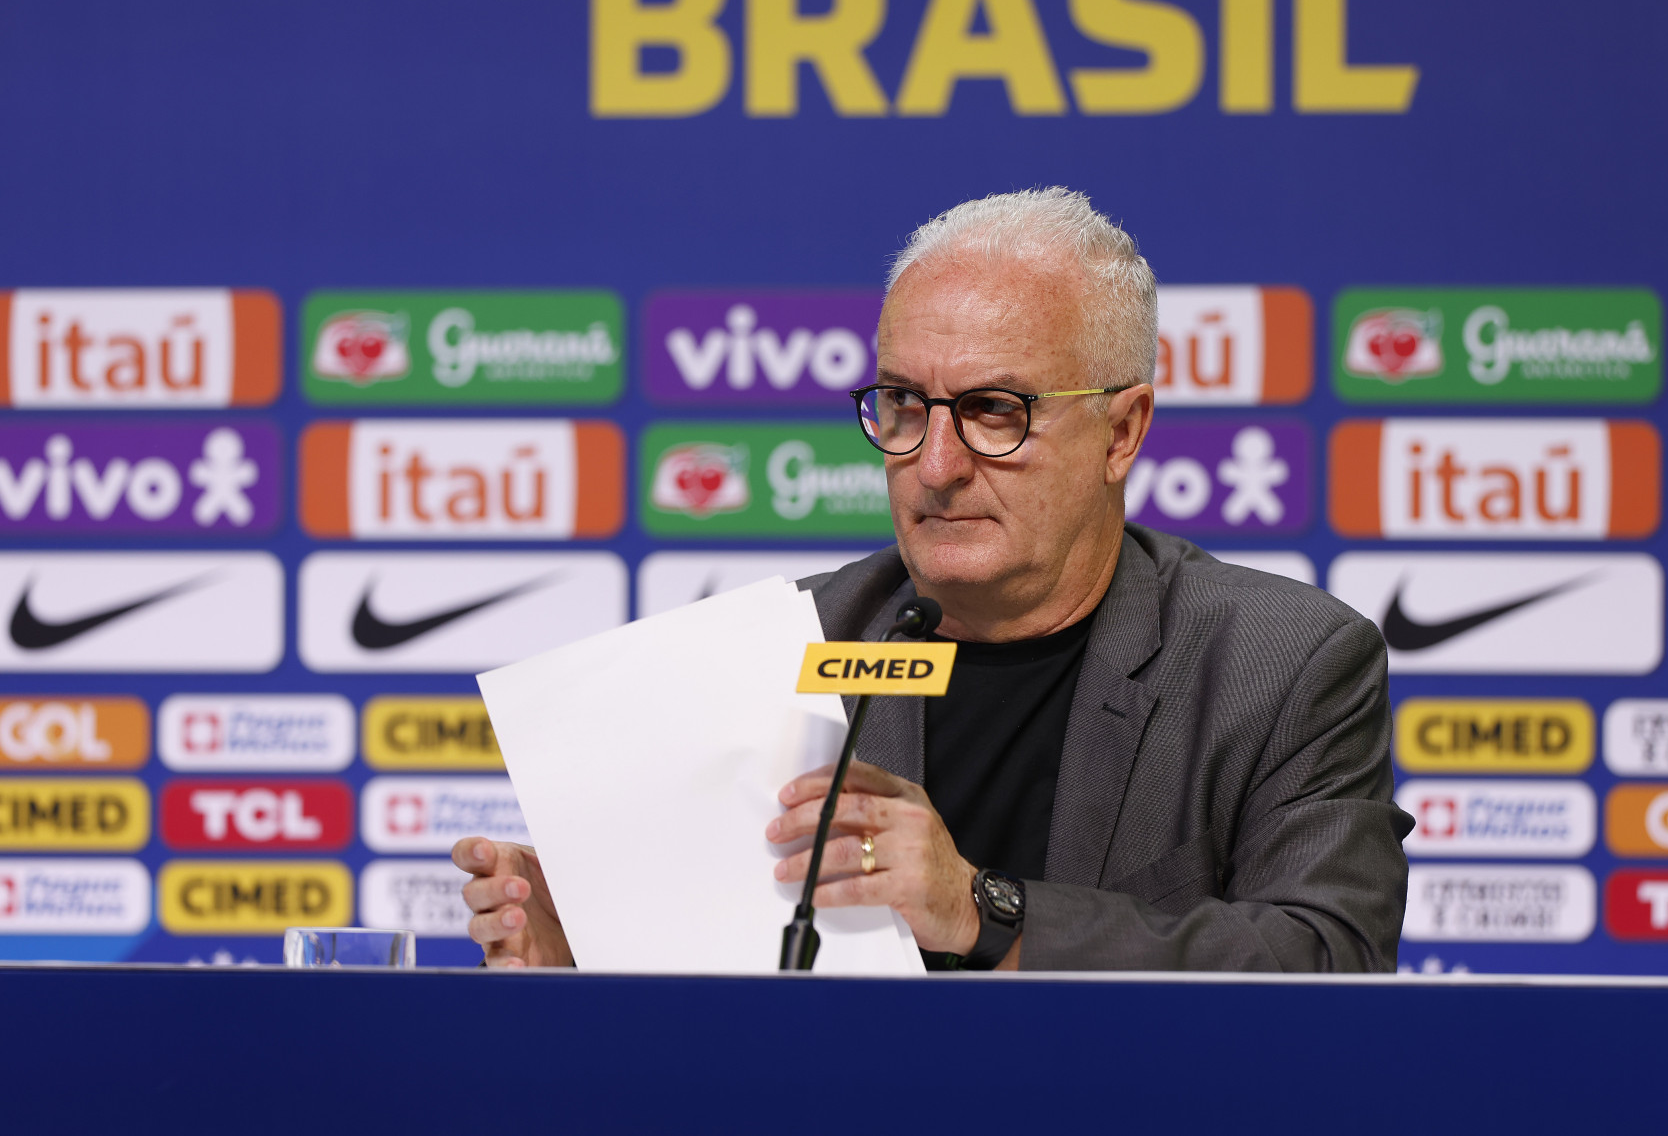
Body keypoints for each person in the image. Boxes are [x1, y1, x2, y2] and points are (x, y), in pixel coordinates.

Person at [455, 188, 1412, 971]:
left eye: (996, 410)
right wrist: (587, 965)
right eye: (906, 404)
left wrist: (983, 911)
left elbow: (1331, 959)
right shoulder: (800, 644)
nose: (938, 463)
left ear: (1121, 432)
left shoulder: (1280, 665)